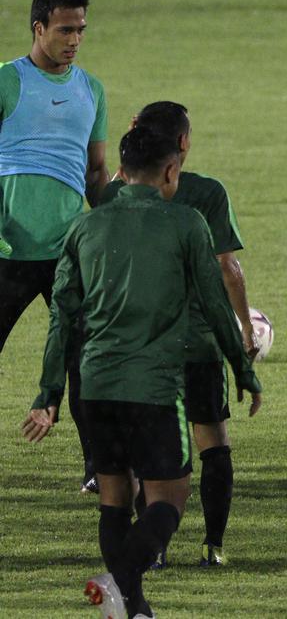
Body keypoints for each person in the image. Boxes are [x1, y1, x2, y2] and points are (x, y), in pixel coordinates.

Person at [21, 125, 260, 619]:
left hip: (97, 386)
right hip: (154, 386)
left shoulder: (84, 228)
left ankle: (135, 609)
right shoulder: (187, 223)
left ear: (120, 172)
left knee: (114, 495)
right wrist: (242, 367)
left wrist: (49, 391)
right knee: (169, 495)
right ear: (171, 170)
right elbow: (215, 305)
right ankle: (119, 580)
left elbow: (62, 316)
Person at [99, 101, 258, 567]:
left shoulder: (115, 199)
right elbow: (228, 267)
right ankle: (214, 546)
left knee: (147, 449)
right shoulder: (206, 194)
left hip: (138, 347)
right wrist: (246, 324)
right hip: (200, 342)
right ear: (184, 144)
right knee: (213, 439)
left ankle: (154, 550)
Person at [1, 0, 109, 490]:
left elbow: (94, 176)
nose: (74, 40)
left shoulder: (92, 90)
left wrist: (123, 222)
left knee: (84, 360)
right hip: (7, 250)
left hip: (69, 253)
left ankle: (98, 468)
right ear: (39, 28)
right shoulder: (6, 81)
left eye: (81, 30)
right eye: (65, 29)